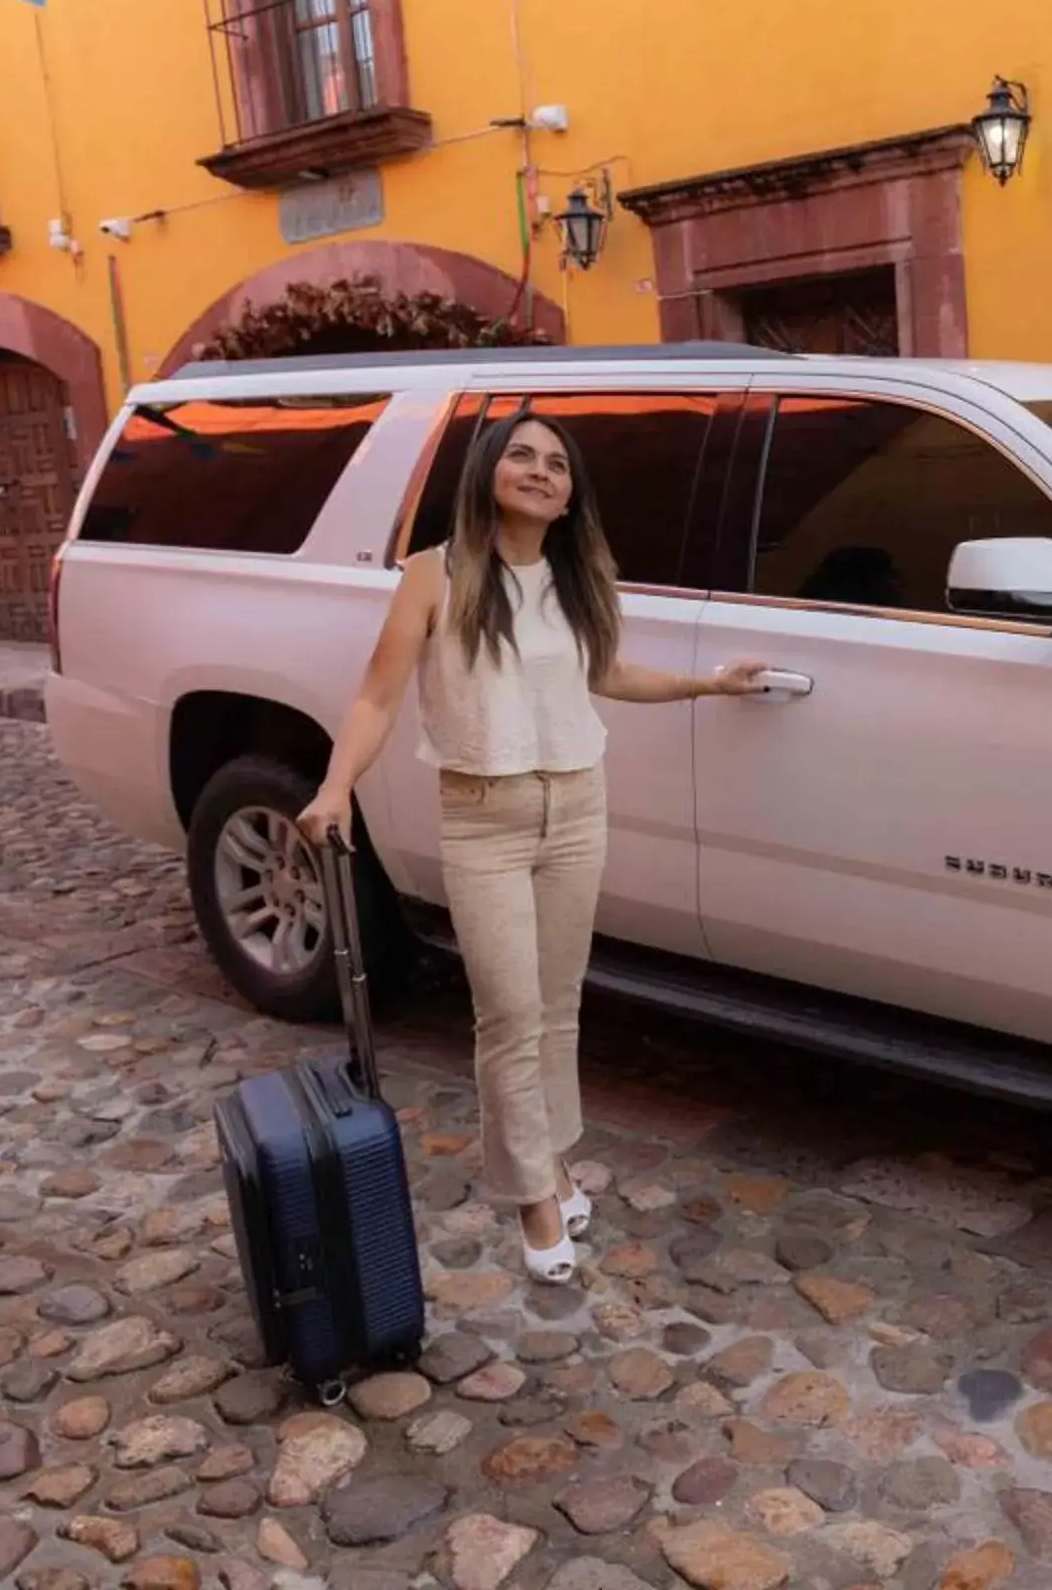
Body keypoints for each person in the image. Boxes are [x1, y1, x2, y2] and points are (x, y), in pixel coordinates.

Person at [297, 408, 763, 1283]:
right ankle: (535, 1201)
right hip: (484, 816)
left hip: (578, 806)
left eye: (557, 463)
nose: (541, 471)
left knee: (557, 1010)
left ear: (569, 495)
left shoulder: (579, 574)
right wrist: (334, 788)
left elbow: (607, 674)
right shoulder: (434, 575)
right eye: (522, 455)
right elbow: (375, 697)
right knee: (508, 1016)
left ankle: (550, 1159)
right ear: (487, 472)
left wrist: (707, 682)